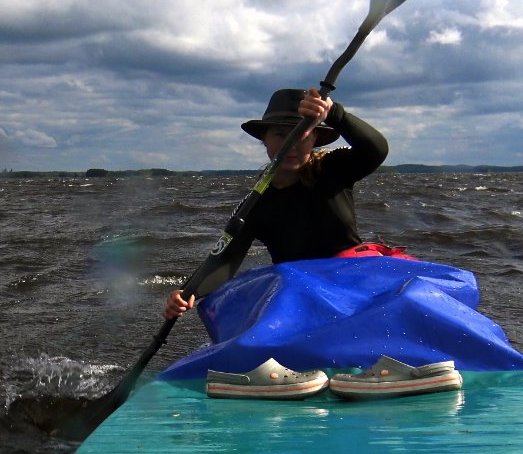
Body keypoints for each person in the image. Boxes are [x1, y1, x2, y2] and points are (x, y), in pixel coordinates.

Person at [164, 87, 389, 320]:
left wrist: (334, 113)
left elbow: (377, 150)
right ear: (265, 139)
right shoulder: (255, 202)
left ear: (314, 138)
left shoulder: (333, 169)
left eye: (302, 133)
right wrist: (188, 292)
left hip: (353, 284)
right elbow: (226, 260)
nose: (292, 144)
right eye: (281, 135)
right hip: (302, 295)